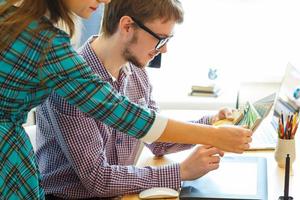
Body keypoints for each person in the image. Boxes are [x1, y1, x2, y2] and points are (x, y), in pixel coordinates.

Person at [0, 0, 252, 198]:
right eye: (160, 38)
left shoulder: (136, 72)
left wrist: (211, 123)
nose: (164, 49)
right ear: (127, 26)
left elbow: (156, 137)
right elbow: (99, 177)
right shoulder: (66, 75)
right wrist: (183, 170)